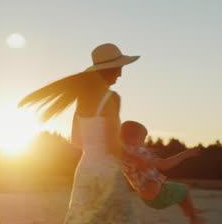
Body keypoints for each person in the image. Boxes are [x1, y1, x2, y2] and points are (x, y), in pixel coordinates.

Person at [19, 43, 143, 223]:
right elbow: (111, 145)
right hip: (107, 171)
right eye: (119, 68)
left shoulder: (82, 100)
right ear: (109, 69)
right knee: (120, 219)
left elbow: (76, 141)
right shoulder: (112, 98)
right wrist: (140, 159)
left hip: (85, 169)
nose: (120, 73)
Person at [120, 120, 205, 224]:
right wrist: (185, 154)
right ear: (133, 139)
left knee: (178, 191)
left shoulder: (124, 156)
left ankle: (189, 211)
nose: (144, 143)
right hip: (159, 195)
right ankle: (193, 218)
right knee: (184, 189)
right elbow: (165, 165)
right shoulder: (140, 153)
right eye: (143, 139)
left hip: (147, 198)